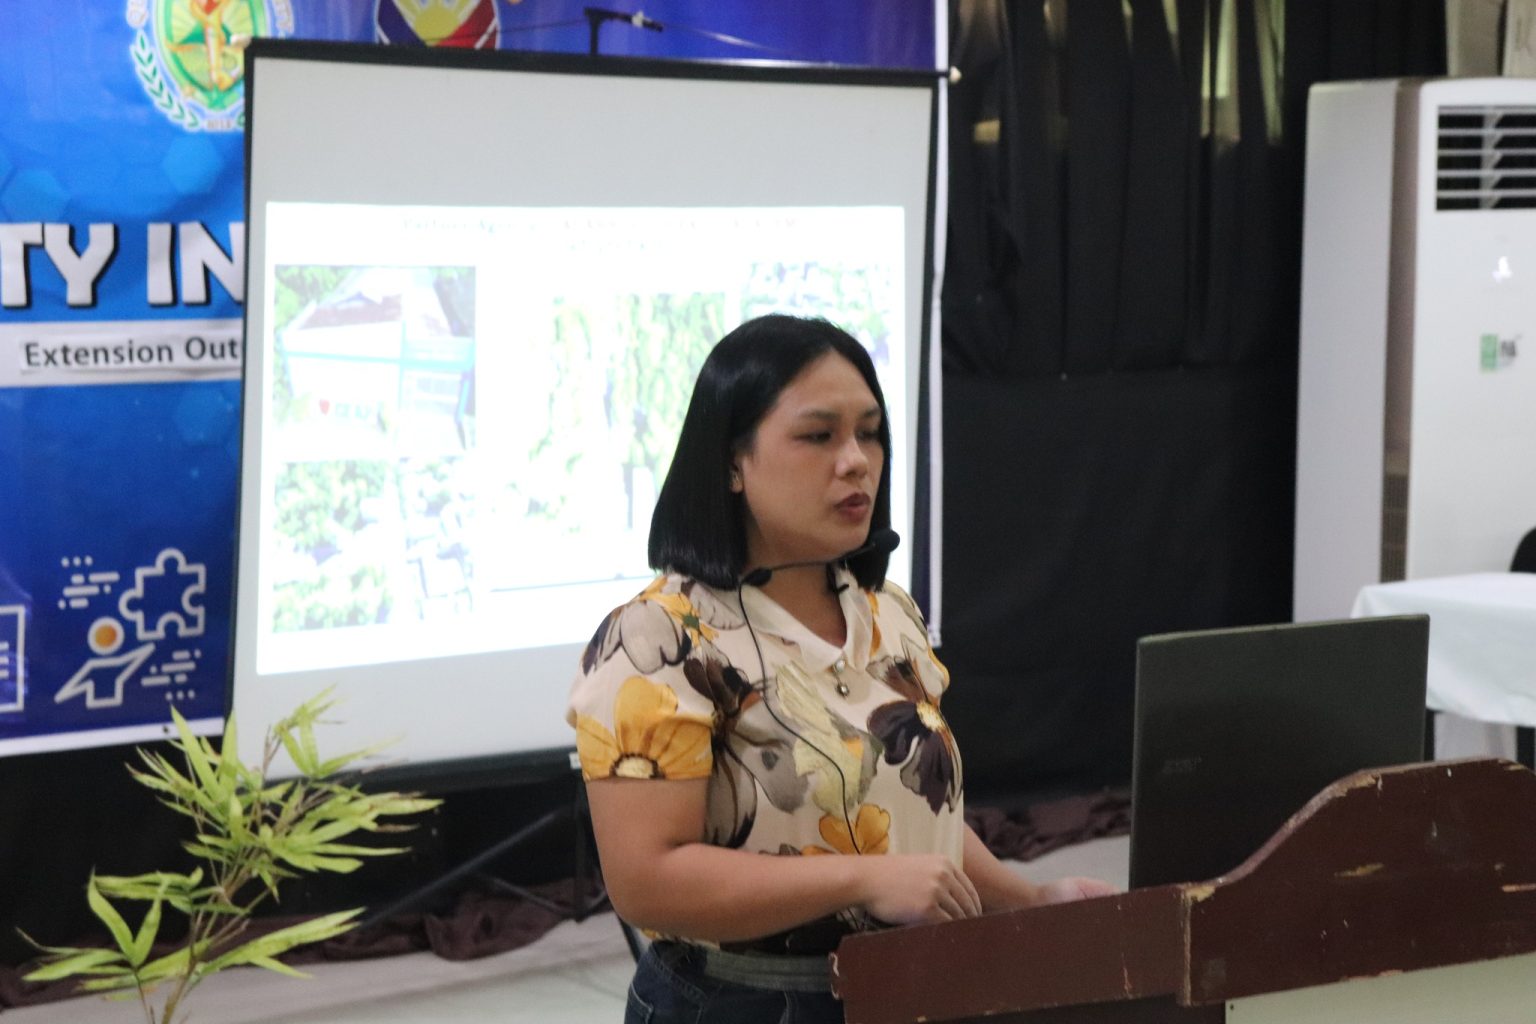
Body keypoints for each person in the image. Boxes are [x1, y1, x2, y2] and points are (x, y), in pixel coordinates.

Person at [568, 314, 1114, 1024]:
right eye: (818, 436)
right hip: (744, 1002)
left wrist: (1031, 901)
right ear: (731, 463)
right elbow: (647, 881)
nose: (856, 461)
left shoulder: (888, 613)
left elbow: (913, 823)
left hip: (911, 986)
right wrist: (862, 879)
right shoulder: (657, 638)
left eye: (870, 433)